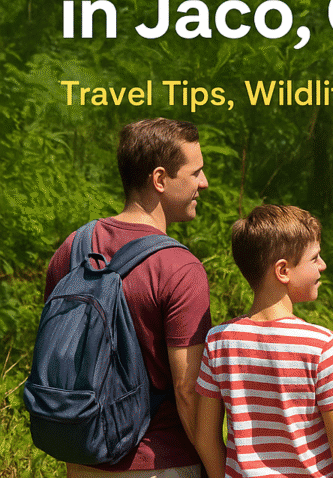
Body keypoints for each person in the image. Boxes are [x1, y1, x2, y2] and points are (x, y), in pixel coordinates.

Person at [44, 117, 213, 478]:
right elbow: (187, 392)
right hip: (159, 462)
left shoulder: (74, 249)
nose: (204, 182)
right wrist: (221, 469)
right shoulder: (180, 268)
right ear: (160, 179)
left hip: (82, 458)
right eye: (195, 172)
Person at [194, 204, 333, 478]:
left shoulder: (219, 341)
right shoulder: (322, 345)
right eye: (314, 258)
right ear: (283, 271)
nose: (323, 265)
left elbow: (205, 437)